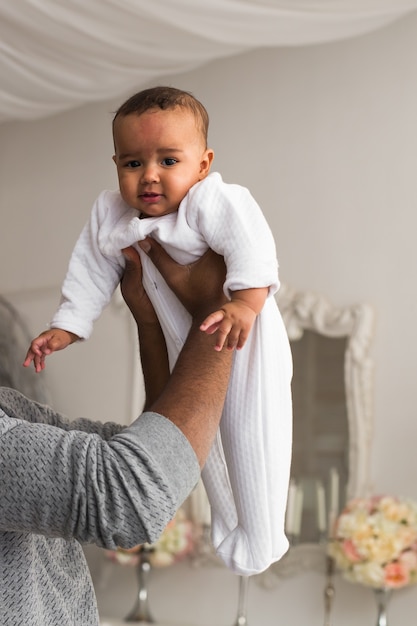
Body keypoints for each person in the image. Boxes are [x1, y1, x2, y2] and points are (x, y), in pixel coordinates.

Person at [24, 86, 293, 575]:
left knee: (253, 429)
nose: (149, 175)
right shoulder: (112, 214)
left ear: (203, 163)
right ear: (116, 165)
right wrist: (68, 325)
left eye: (169, 160)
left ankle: (264, 532)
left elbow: (251, 245)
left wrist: (245, 306)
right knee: (199, 435)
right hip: (180, 333)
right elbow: (90, 270)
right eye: (132, 163)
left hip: (241, 332)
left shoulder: (212, 201)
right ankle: (229, 526)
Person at [0, 241, 233, 626]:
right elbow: (131, 497)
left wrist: (149, 322)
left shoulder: (10, 408)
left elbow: (158, 459)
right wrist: (216, 308)